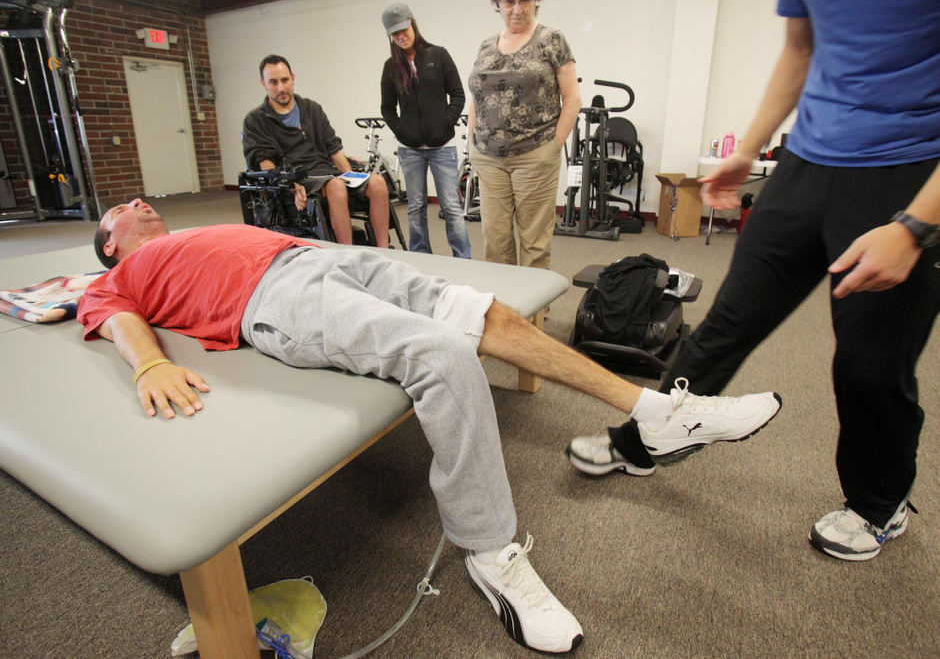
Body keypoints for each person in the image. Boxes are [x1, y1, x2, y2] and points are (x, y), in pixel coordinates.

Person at [80, 198, 781, 653]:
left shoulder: (201, 228)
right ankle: (490, 552)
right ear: (113, 246)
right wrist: (147, 366)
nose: (138, 204)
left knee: (490, 315)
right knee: (444, 356)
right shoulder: (123, 275)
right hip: (273, 297)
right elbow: (112, 317)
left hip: (322, 258)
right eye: (120, 212)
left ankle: (656, 414)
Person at [568, 0, 940, 563]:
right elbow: (799, 49)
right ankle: (644, 441)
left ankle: (880, 504)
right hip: (805, 164)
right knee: (726, 323)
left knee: (870, 366)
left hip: (908, 169)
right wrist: (746, 148)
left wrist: (917, 224)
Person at [467, 0, 580, 269]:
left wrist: (553, 146)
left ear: (535, 0)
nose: (516, 9)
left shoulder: (551, 40)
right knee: (495, 243)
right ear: (497, 3)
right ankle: (506, 315)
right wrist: (470, 141)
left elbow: (572, 99)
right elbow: (477, 95)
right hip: (489, 158)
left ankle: (534, 318)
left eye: (524, 0)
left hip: (535, 154)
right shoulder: (486, 46)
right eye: (508, 1)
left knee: (534, 245)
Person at [243, 54, 390, 247]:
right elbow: (266, 163)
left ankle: (385, 252)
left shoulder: (312, 109)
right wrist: (289, 185)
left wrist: (353, 177)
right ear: (263, 84)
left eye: (285, 80)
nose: (281, 88)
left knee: (377, 182)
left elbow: (335, 151)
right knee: (336, 186)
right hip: (297, 180)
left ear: (293, 78)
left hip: (328, 173)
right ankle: (348, 255)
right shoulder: (256, 120)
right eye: (273, 82)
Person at [380, 2, 471, 258]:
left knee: (452, 206)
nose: (401, 36)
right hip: (410, 150)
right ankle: (422, 258)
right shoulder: (390, 67)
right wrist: (403, 132)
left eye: (404, 29)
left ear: (414, 23)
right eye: (395, 34)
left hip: (442, 147)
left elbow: (458, 95)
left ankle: (463, 259)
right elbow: (387, 108)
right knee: (415, 207)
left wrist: (445, 123)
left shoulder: (438, 55)